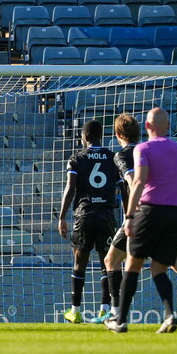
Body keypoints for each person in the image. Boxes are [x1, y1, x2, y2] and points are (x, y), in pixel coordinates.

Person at [103, 114, 177, 324]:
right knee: (172, 264)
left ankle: (116, 314)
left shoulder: (127, 154)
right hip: (173, 213)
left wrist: (132, 214)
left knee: (115, 261)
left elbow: (133, 182)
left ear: (118, 134)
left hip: (143, 214)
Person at [58, 120, 123, 324]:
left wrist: (61, 216)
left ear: (85, 137)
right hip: (106, 216)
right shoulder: (113, 158)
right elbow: (124, 188)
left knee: (80, 263)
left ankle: (75, 311)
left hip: (84, 216)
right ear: (100, 136)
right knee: (108, 263)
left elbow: (70, 189)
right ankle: (105, 310)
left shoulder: (77, 158)